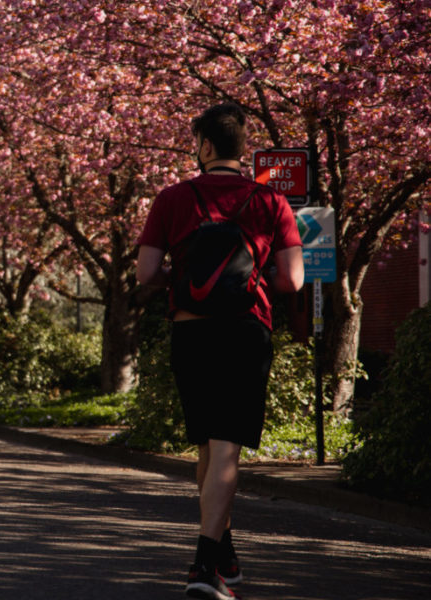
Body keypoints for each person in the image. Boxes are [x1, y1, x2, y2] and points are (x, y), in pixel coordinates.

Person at [136, 103, 304, 599]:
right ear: (240, 148)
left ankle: (223, 553)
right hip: (243, 332)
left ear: (205, 146)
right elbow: (292, 279)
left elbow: (145, 274)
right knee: (227, 445)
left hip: (190, 332)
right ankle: (205, 566)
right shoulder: (270, 201)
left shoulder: (172, 198)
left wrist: (180, 280)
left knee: (208, 445)